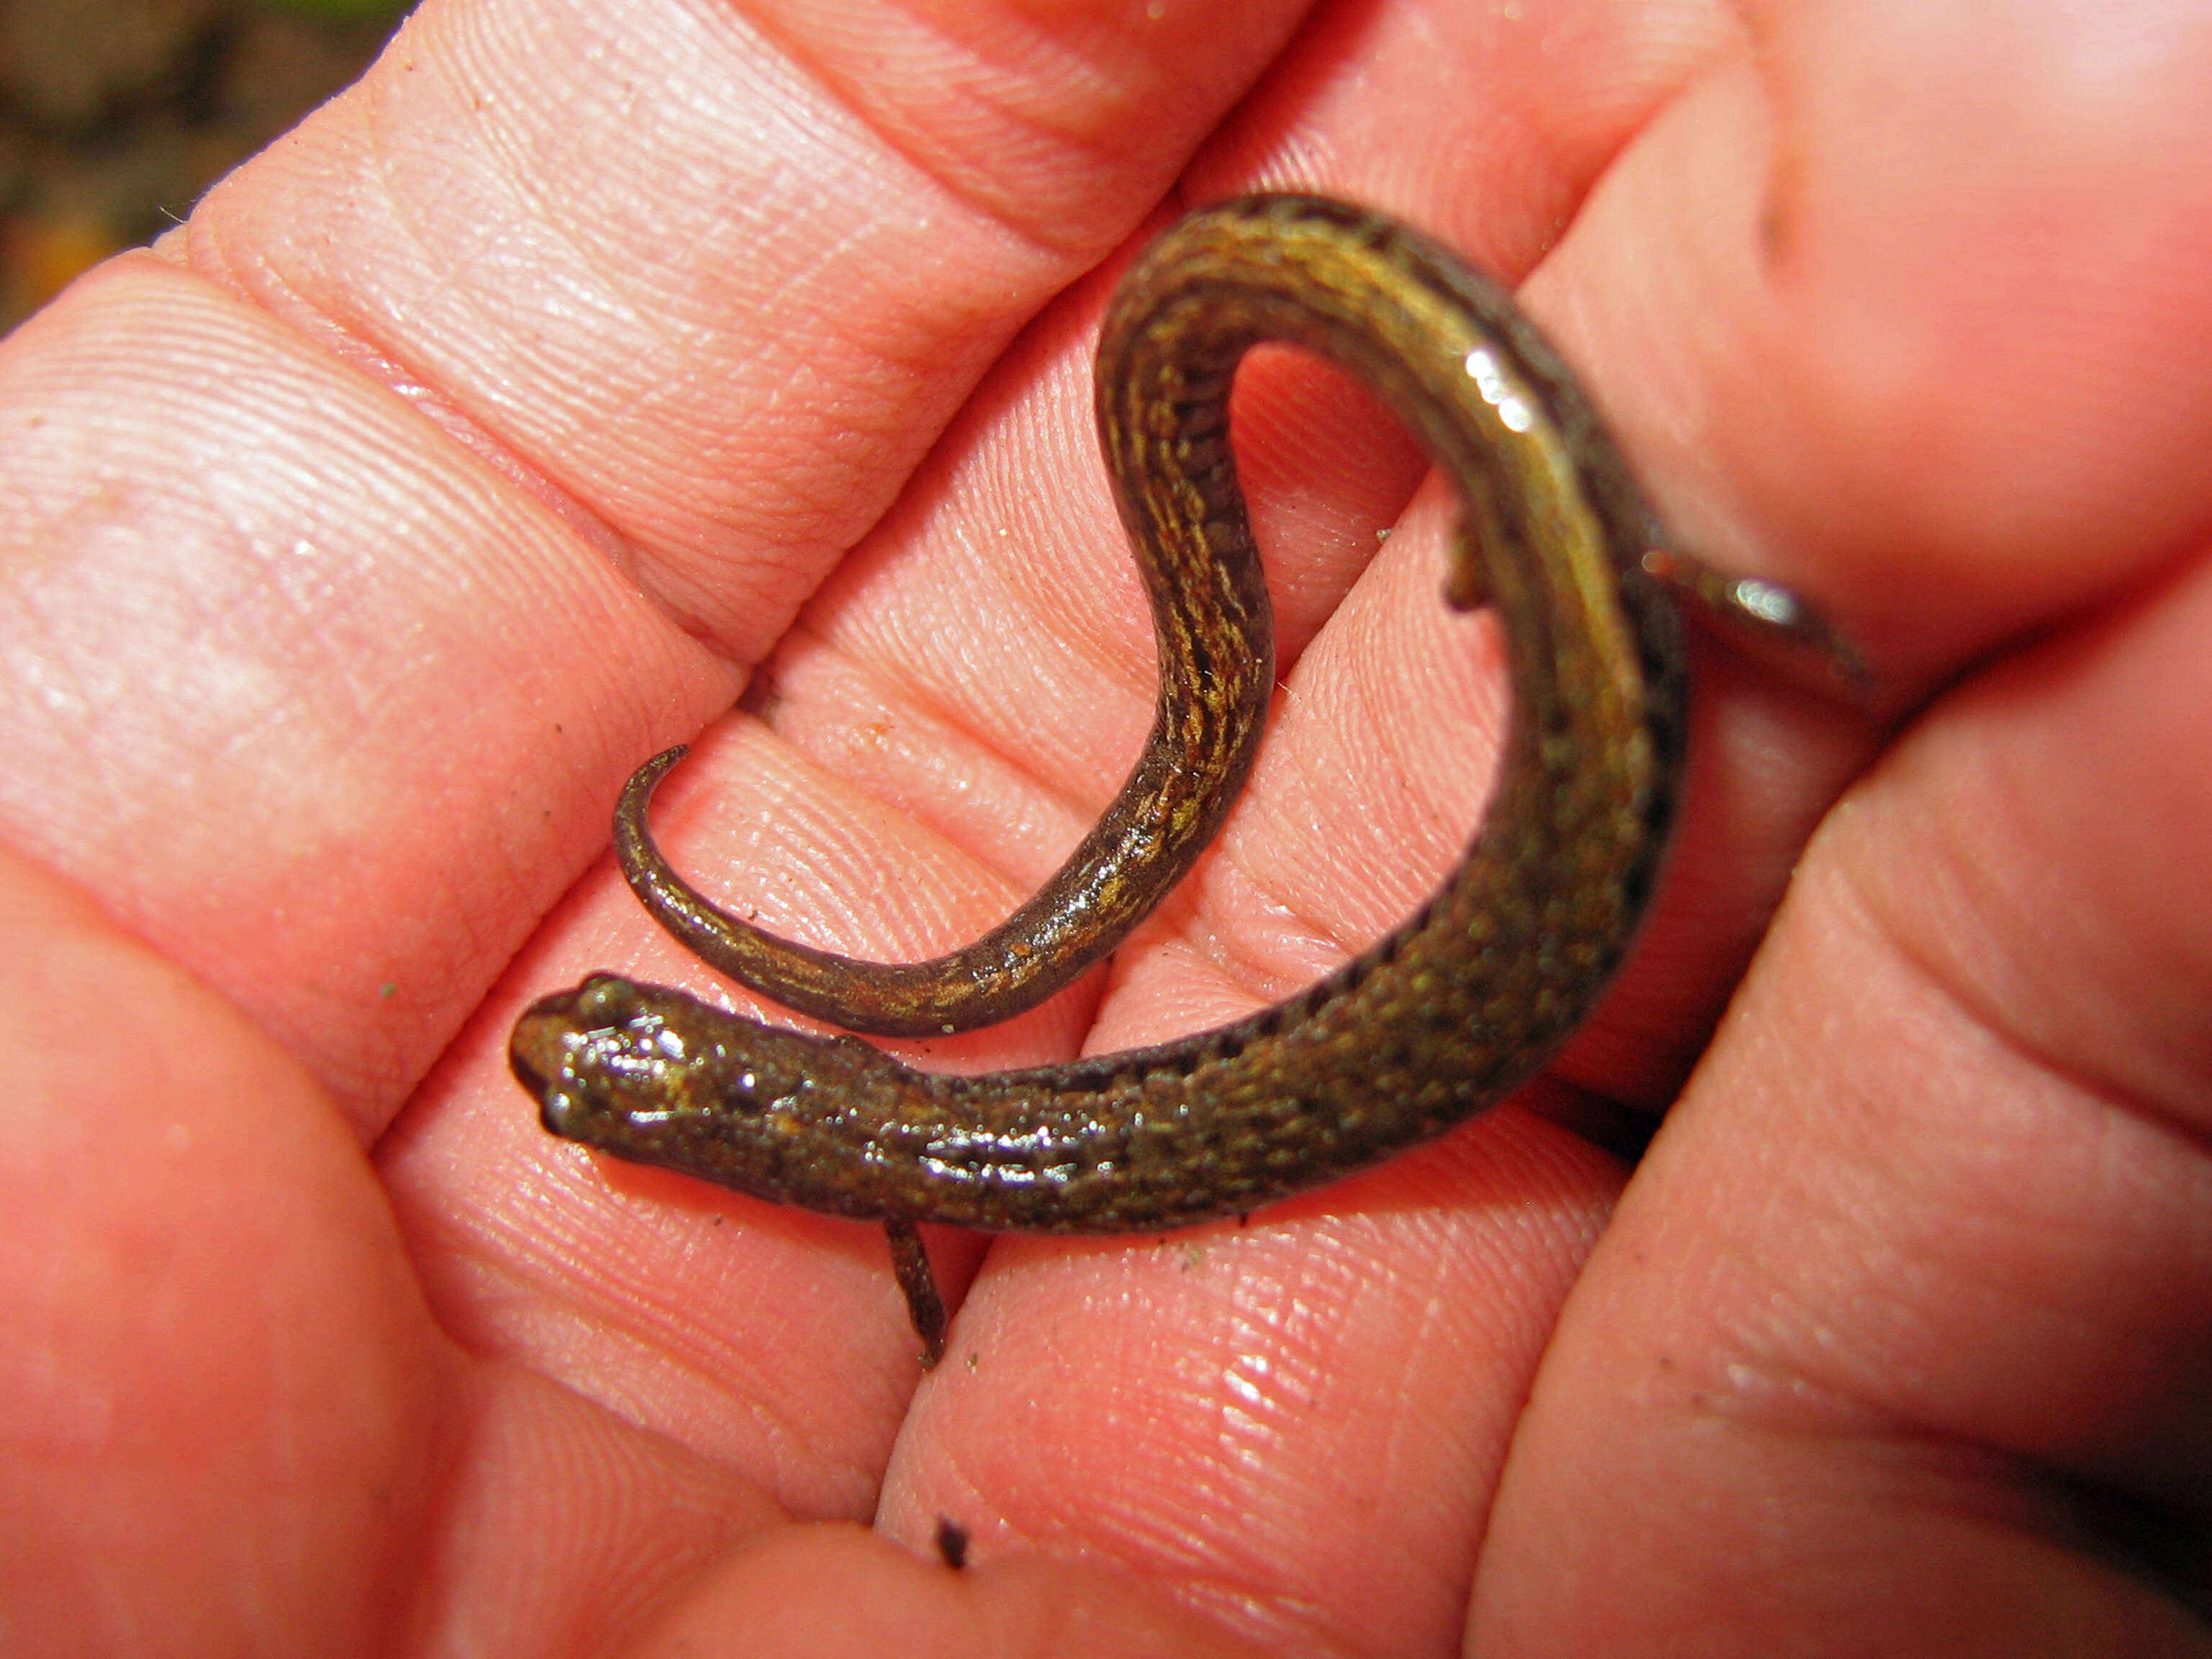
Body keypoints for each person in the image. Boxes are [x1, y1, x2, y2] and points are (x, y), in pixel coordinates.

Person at [3, 0, 2206, 1653]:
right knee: (1603, 637)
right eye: (634, 1089)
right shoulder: (884, 1137)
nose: (611, 1059)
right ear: (750, 1102)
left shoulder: (908, 1190)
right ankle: (1601, 565)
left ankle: (1602, 562)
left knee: (1602, 588)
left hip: (1532, 843)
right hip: (1544, 882)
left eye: (628, 1068)